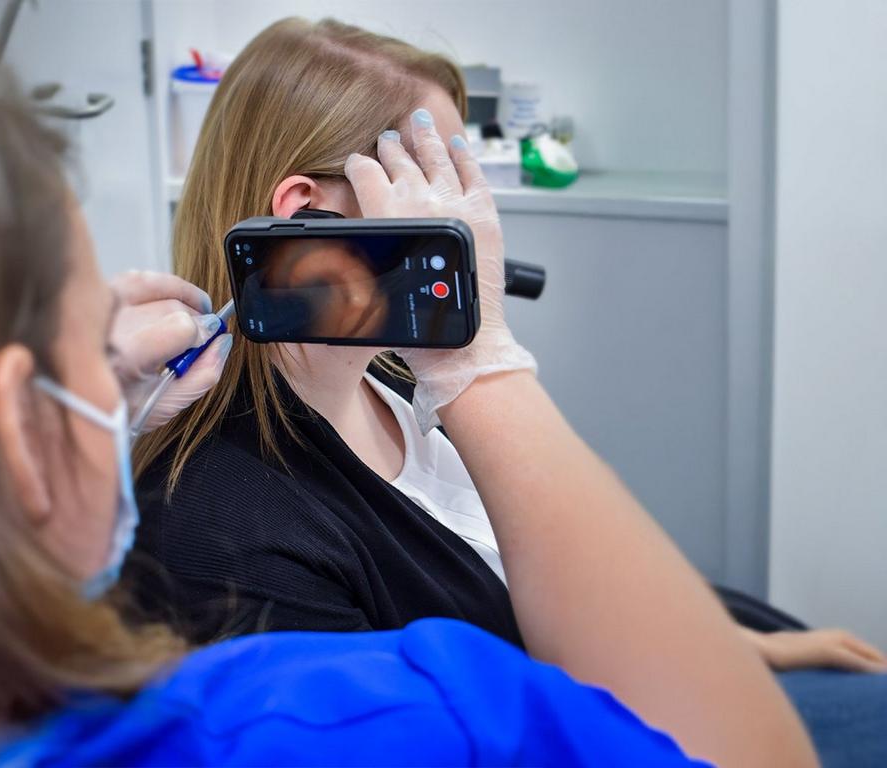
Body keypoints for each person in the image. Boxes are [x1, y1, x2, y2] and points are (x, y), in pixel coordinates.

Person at [0, 50, 815, 768]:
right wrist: (482, 362)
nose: (470, 222)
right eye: (440, 196)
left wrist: (729, 632)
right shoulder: (296, 680)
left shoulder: (390, 393)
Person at [127, 15, 882, 765]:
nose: (477, 221)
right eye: (445, 185)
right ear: (307, 218)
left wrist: (710, 637)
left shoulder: (397, 374)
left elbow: (510, 555)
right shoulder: (223, 539)